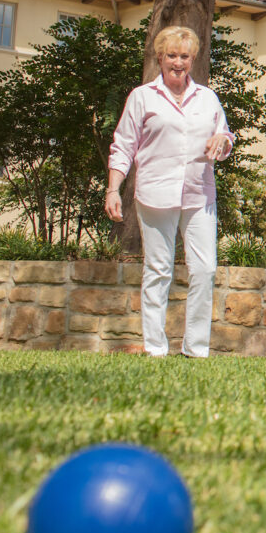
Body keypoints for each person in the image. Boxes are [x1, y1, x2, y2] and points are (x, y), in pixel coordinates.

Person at [106, 26, 233, 358]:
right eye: (172, 56)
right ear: (160, 57)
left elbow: (225, 137)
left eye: (185, 56)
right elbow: (123, 145)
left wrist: (222, 143)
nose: (178, 63)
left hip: (199, 195)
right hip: (155, 194)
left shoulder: (207, 97)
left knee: (204, 269)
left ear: (193, 59)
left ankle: (196, 349)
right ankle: (156, 348)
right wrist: (113, 189)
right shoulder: (142, 96)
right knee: (158, 270)